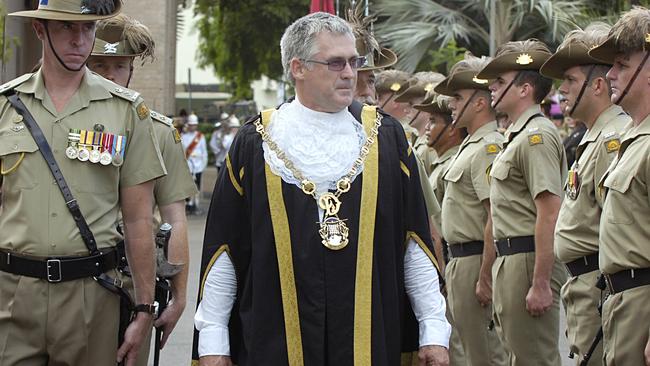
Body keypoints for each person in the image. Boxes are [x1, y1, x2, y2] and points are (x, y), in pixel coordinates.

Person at [192, 12, 450, 366]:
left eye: (353, 62)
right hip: (275, 339)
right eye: (336, 63)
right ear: (298, 67)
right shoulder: (254, 143)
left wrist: (434, 330)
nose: (350, 73)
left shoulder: (388, 139)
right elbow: (225, 251)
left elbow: (414, 244)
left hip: (369, 339)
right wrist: (213, 341)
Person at [0, 1, 166, 365]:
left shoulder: (126, 110)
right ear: (40, 30)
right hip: (11, 295)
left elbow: (139, 219)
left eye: (88, 28)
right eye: (66, 28)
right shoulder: (5, 106)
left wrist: (143, 308)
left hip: (92, 296)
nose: (79, 40)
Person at [87, 13, 198, 366]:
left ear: (132, 69)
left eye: (118, 66)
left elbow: (174, 218)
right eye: (99, 64)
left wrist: (179, 297)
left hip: (130, 284)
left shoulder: (158, 130)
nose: (108, 75)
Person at [540, 22, 630, 366]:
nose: (561, 90)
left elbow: (621, 230)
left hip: (601, 287)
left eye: (570, 80)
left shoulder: (613, 140)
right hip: (584, 286)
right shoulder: (593, 138)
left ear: (597, 85)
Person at [476, 39, 568, 366]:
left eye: (500, 82)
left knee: (535, 358)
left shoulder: (536, 136)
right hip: (512, 257)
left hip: (527, 258)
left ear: (525, 89)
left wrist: (541, 282)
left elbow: (549, 211)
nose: (492, 88)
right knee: (519, 355)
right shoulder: (517, 134)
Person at [434, 53, 508, 366]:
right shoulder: (470, 146)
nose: (450, 104)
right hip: (461, 261)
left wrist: (485, 276)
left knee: (487, 355)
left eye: (458, 97)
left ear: (479, 103)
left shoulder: (489, 147)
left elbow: (494, 214)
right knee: (471, 352)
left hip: (477, 258)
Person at [588, 7, 650, 365]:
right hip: (620, 301)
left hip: (641, 303)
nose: (610, 74)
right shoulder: (631, 137)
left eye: (622, 65)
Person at [396, 72, 445, 175]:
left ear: (427, 102)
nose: (406, 110)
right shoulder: (419, 140)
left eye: (411, 104)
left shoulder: (430, 146)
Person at [182, 113, 208, 214]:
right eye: (191, 124)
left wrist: (203, 165)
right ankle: (188, 204)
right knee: (187, 186)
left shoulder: (200, 137)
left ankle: (195, 204)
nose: (193, 126)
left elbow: (204, 152)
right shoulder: (183, 136)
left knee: (197, 186)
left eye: (194, 125)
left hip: (198, 165)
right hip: (187, 165)